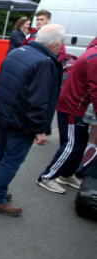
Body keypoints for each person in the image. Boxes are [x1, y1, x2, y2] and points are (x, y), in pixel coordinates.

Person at [0, 24, 65, 216]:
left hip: (4, 114)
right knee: (10, 160)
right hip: (21, 120)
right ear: (54, 45)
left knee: (1, 154)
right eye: (60, 44)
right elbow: (38, 100)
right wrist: (40, 130)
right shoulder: (44, 62)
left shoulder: (19, 51)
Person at [36, 38, 97, 194]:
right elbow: (95, 90)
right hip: (72, 106)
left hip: (75, 105)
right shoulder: (95, 57)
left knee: (79, 143)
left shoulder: (93, 53)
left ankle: (67, 174)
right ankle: (46, 177)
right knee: (70, 145)